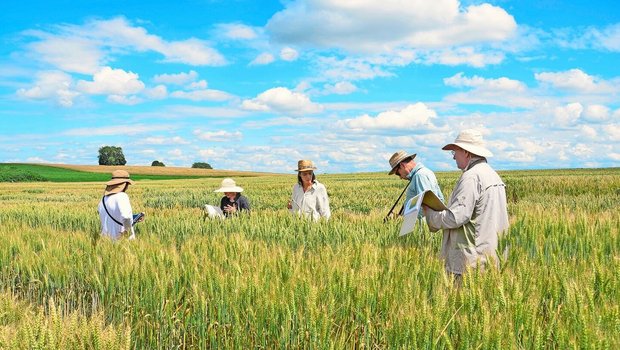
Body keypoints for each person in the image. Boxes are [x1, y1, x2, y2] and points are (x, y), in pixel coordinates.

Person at [423, 129, 509, 282]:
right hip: (491, 254)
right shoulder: (493, 175)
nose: (454, 156)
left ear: (466, 152)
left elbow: (457, 217)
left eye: (455, 152)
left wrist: (430, 214)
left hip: (470, 261)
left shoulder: (471, 177)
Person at [388, 150, 445, 215]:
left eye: (398, 173)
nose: (400, 177)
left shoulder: (420, 176)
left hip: (420, 224)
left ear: (402, 165)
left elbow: (427, 207)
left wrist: (404, 219)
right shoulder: (422, 173)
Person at [98, 170, 145, 240]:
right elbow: (125, 217)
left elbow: (110, 217)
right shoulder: (122, 196)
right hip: (121, 240)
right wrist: (127, 232)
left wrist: (133, 218)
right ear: (124, 184)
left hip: (105, 240)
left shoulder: (103, 200)